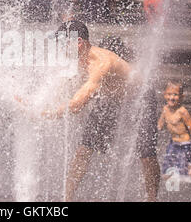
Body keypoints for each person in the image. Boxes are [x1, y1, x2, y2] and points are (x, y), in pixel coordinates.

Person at [43, 20, 160, 202]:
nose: (59, 47)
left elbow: (76, 104)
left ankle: (152, 199)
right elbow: (66, 86)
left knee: (146, 153)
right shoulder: (78, 59)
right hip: (111, 99)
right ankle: (67, 200)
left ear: (78, 42)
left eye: (62, 42)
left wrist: (48, 113)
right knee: (83, 150)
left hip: (141, 99)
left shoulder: (101, 63)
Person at [157, 82, 191, 176]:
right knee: (166, 171)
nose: (171, 97)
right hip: (173, 143)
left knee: (183, 173)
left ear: (182, 97)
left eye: (175, 95)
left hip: (185, 145)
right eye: (169, 94)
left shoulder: (182, 111)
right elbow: (159, 125)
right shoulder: (165, 109)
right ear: (164, 95)